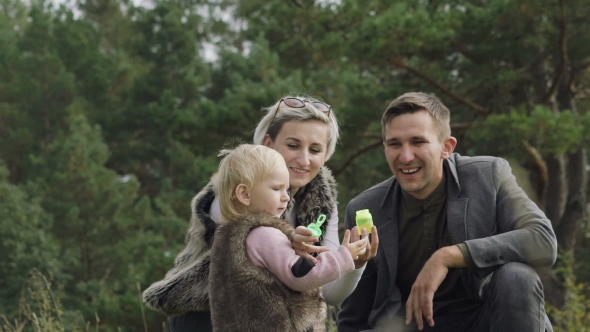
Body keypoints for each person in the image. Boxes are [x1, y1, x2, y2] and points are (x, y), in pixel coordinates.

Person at [142, 96, 379, 331]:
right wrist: (293, 245)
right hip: (207, 315)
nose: (304, 159)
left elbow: (327, 291)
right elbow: (274, 268)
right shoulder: (235, 193)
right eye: (293, 145)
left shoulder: (322, 200)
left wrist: (356, 263)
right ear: (268, 144)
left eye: (315, 149)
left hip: (271, 314)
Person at [337, 92, 558, 332]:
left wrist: (448, 256)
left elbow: (543, 240)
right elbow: (355, 314)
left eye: (418, 142)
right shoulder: (364, 208)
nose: (406, 156)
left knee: (516, 277)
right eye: (395, 144)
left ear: (447, 147)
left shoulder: (489, 176)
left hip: (484, 319)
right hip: (409, 326)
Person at [208, 144, 368, 331]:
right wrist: (344, 256)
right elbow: (299, 276)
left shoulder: (226, 237)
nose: (286, 198)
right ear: (244, 194)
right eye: (277, 189)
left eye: (286, 189)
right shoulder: (264, 234)